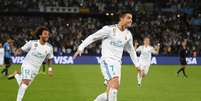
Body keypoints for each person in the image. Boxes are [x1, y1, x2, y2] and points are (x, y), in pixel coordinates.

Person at [73, 11, 139, 101]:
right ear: (121, 18)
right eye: (128, 18)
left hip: (118, 64)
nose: (131, 20)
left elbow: (131, 50)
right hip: (107, 61)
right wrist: (81, 47)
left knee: (109, 93)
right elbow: (93, 37)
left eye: (131, 18)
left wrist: (137, 65)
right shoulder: (109, 30)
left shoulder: (128, 35)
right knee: (115, 84)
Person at [8, 26, 54, 101]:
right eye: (45, 34)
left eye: (48, 34)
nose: (47, 36)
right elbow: (21, 49)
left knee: (23, 85)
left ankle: (16, 74)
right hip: (27, 65)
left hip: (36, 69)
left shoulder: (49, 47)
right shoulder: (32, 43)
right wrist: (17, 51)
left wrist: (50, 68)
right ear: (40, 35)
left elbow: (50, 58)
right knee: (25, 83)